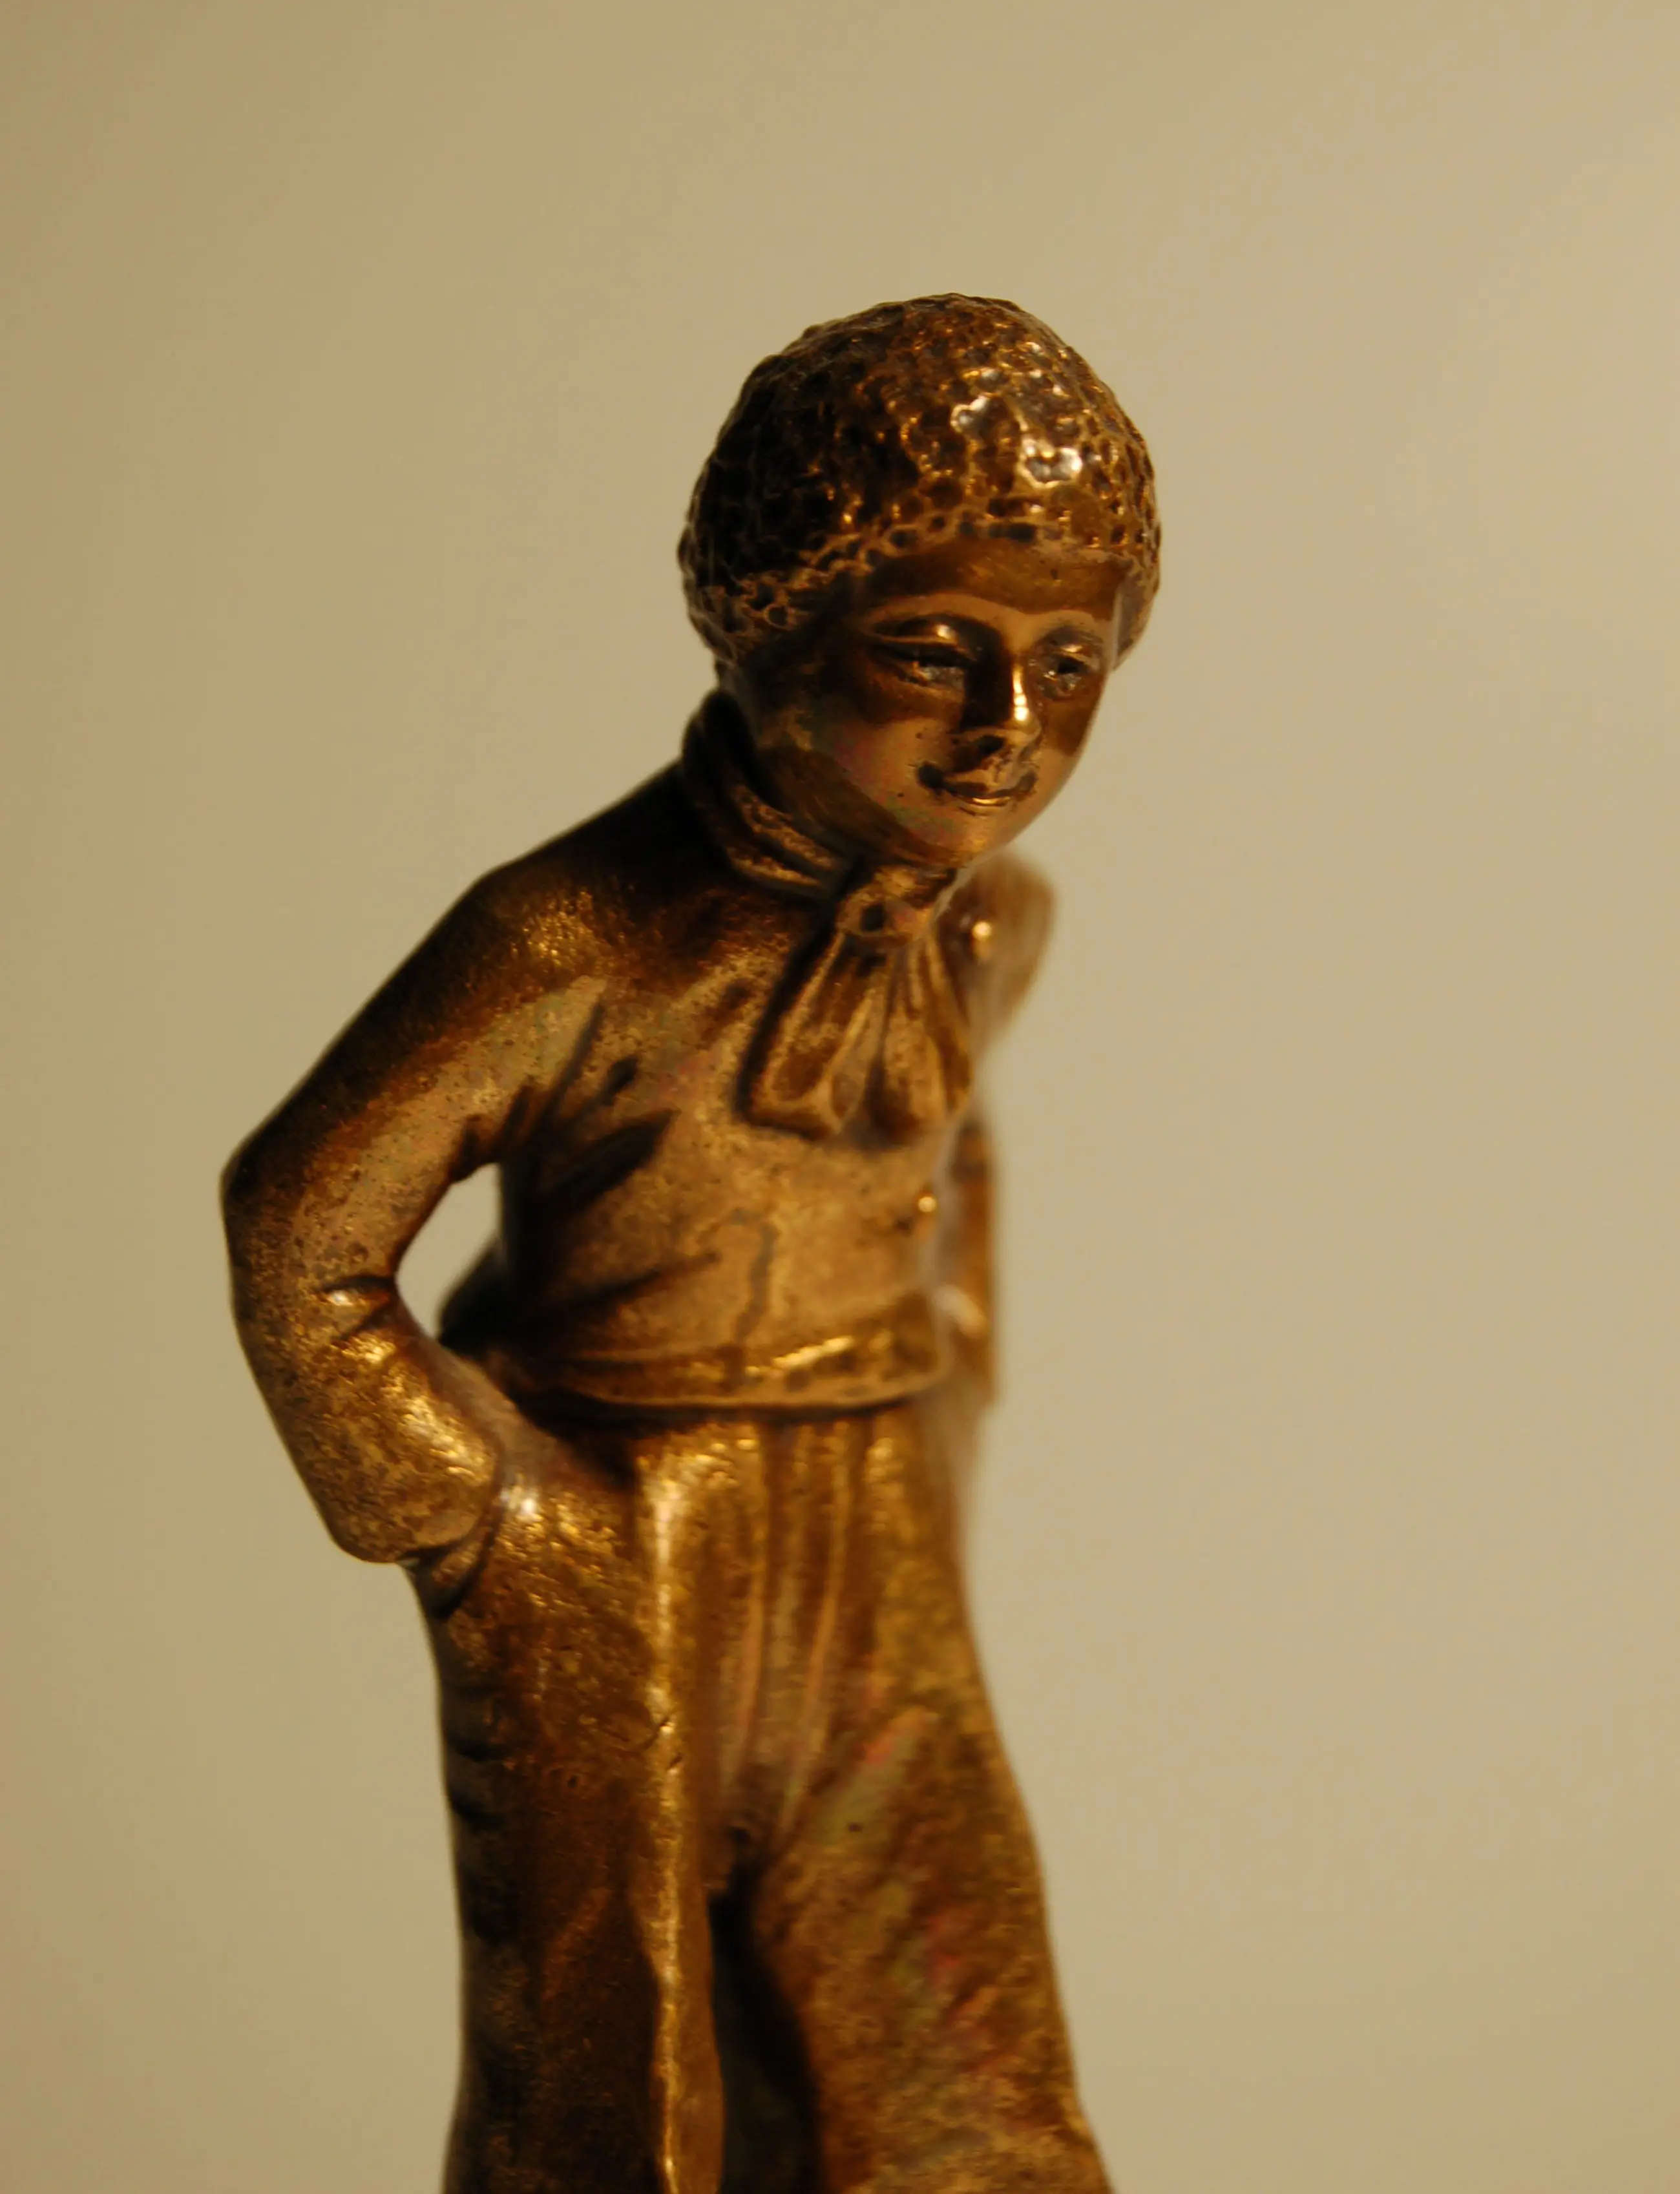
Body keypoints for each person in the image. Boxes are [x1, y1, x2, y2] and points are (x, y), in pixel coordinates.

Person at [222, 293, 1160, 2194]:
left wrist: (949, 1386)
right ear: (771, 628)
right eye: (934, 651)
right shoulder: (575, 939)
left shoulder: (995, 924)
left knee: (954, 2046)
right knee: (615, 2077)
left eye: (1068, 663)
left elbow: (950, 1148)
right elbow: (299, 1228)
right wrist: (485, 1521)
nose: (1007, 729)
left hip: (873, 1515)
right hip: (615, 1513)